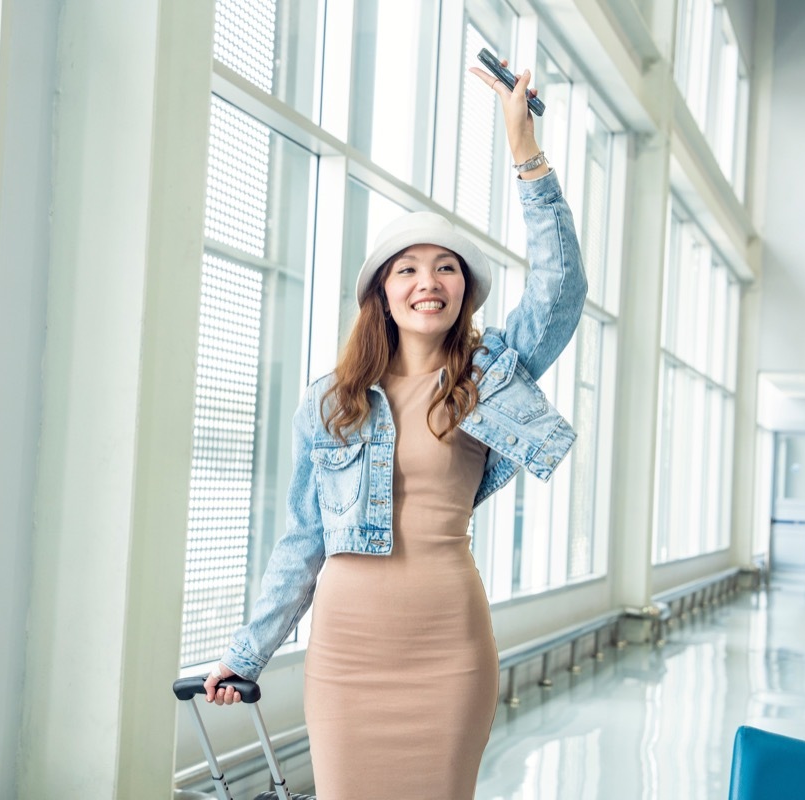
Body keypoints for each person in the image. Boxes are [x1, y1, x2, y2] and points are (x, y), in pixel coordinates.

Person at [201, 61, 587, 799]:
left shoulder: (491, 374)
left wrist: (525, 151)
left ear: (463, 292)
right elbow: (302, 540)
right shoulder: (332, 402)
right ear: (382, 290)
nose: (428, 282)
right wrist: (245, 655)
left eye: (446, 269)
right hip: (348, 657)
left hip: (449, 650)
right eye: (407, 269)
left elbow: (562, 290)